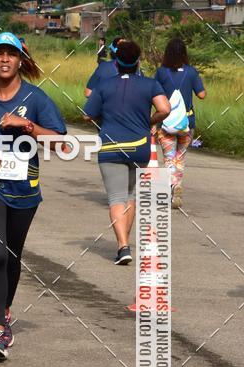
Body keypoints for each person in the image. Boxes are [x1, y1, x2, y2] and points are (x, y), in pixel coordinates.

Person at [0, 33, 67, 360]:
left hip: (24, 190)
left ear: (21, 60)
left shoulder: (36, 98)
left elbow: (61, 144)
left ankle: (5, 309)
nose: (5, 59)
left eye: (11, 54)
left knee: (11, 257)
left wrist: (27, 126)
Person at [84, 41, 170, 265]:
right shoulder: (150, 84)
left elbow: (87, 115)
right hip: (140, 146)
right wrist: (148, 121)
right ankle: (126, 244)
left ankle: (123, 246)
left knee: (116, 198)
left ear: (116, 62)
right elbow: (165, 109)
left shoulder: (104, 85)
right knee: (130, 196)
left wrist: (105, 120)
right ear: (138, 61)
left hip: (111, 146)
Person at [154, 38, 206, 209]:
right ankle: (178, 185)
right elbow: (202, 95)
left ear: (167, 53)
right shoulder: (191, 72)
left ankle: (172, 186)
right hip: (186, 123)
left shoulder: (161, 72)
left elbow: (152, 95)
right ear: (184, 53)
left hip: (165, 121)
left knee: (169, 158)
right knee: (180, 158)